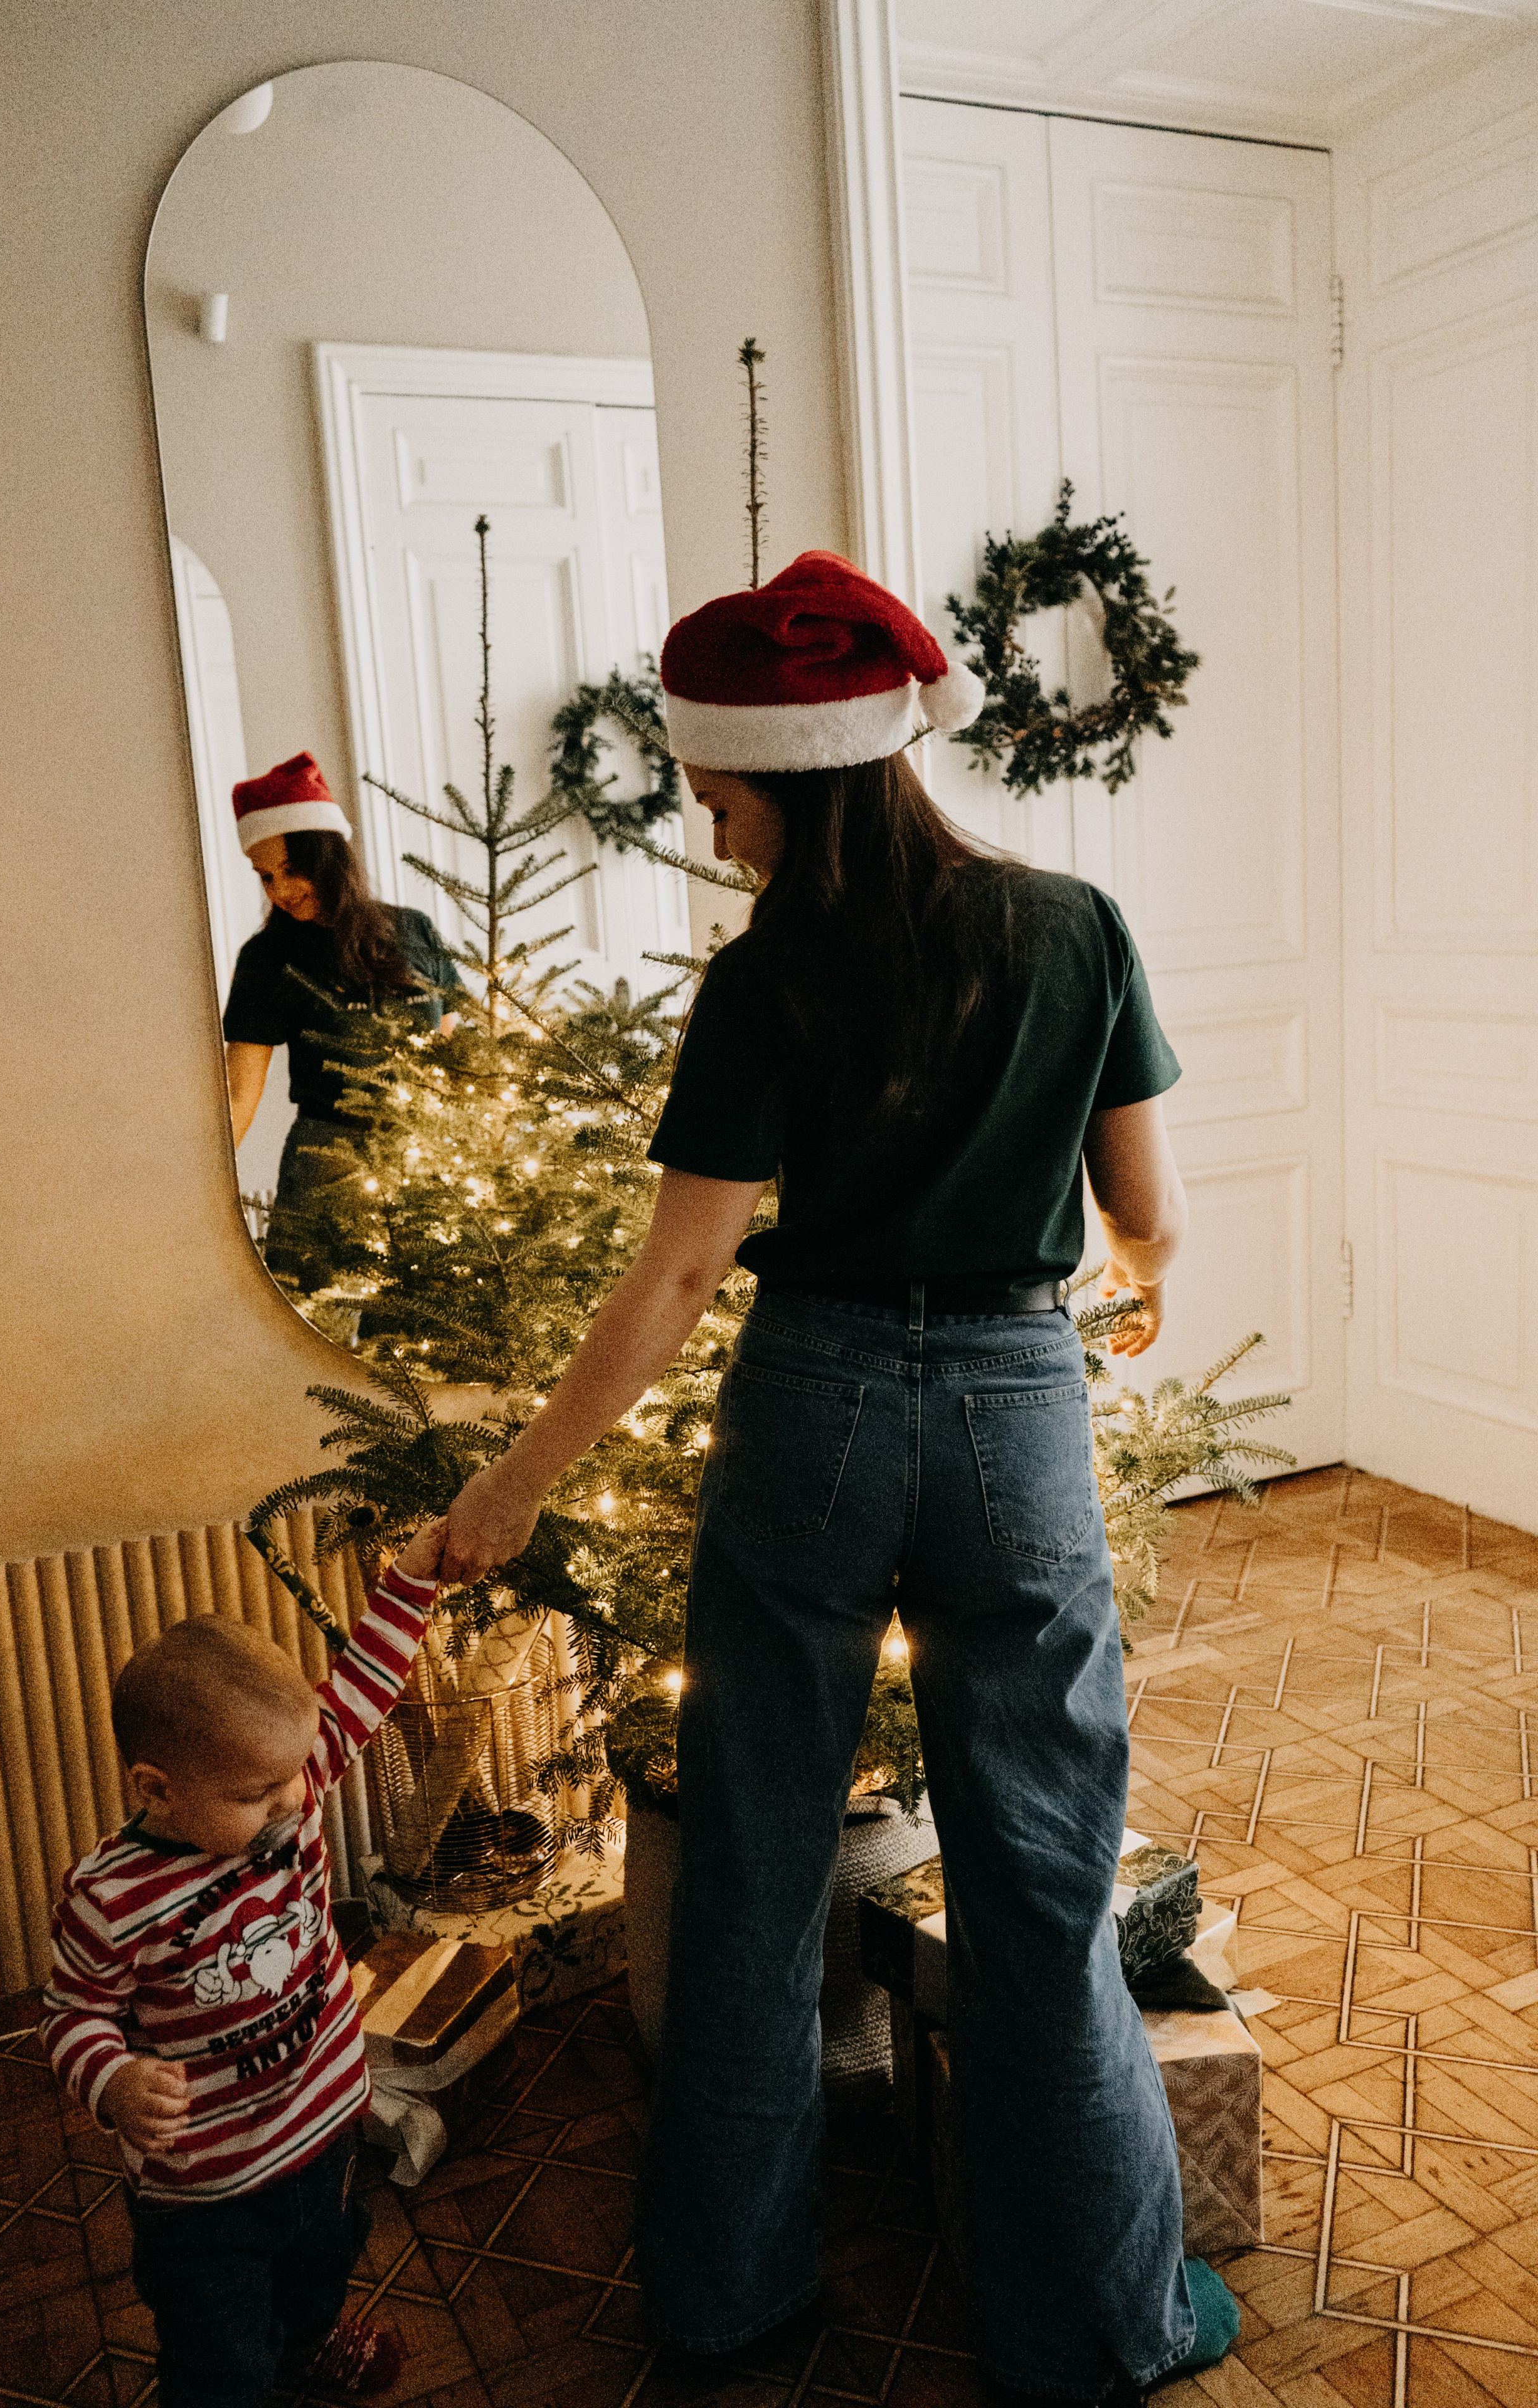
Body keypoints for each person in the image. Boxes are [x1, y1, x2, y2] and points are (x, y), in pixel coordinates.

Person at [435, 551, 1231, 2401]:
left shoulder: (760, 982)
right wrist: (1115, 1287)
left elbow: (677, 1276)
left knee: (750, 1865)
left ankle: (727, 2293)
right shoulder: (1073, 927)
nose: (710, 830)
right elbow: (1147, 1214)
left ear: (788, 771)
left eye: (717, 797)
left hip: (810, 1406)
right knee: (1041, 1876)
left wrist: (515, 1482)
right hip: (1014, 1403)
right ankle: (1099, 2320)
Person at [40, 1515, 450, 2406]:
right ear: (157, 1788)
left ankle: (313, 2336)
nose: (292, 1802)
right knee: (218, 2351)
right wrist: (113, 2080)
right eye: (255, 1794)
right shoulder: (110, 1897)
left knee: (324, 2263)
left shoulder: (286, 1782)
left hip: (326, 2125)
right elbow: (72, 2015)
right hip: (207, 2192)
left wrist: (413, 1577)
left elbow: (365, 1683)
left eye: (294, 1775)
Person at [221, 751, 463, 1288]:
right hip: (327, 1162)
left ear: (327, 855)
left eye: (290, 869)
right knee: (312, 1317)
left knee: (420, 1324)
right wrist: (196, 1191)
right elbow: (238, 1094)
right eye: (265, 877)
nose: (280, 892)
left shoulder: (414, 930)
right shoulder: (267, 959)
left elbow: (452, 1028)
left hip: (425, 1157)